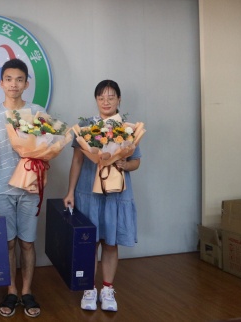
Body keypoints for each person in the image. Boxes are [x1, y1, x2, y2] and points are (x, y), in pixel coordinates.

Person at [63, 79, 142, 313]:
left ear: (119, 99)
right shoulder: (86, 126)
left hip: (115, 194)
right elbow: (77, 161)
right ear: (96, 100)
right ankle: (89, 288)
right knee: (90, 243)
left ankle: (107, 289)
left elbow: (136, 162)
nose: (106, 101)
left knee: (110, 242)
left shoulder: (127, 129)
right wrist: (70, 191)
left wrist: (124, 164)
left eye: (111, 97)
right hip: (88, 192)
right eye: (101, 97)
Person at [0, 58, 45, 318]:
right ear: (1, 83)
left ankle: (27, 292)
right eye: (9, 79)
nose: (13, 84)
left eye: (19, 80)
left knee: (27, 243)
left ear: (26, 83)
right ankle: (11, 290)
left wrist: (40, 174)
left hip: (30, 189)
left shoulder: (37, 113)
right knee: (7, 243)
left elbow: (46, 150)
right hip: (0, 188)